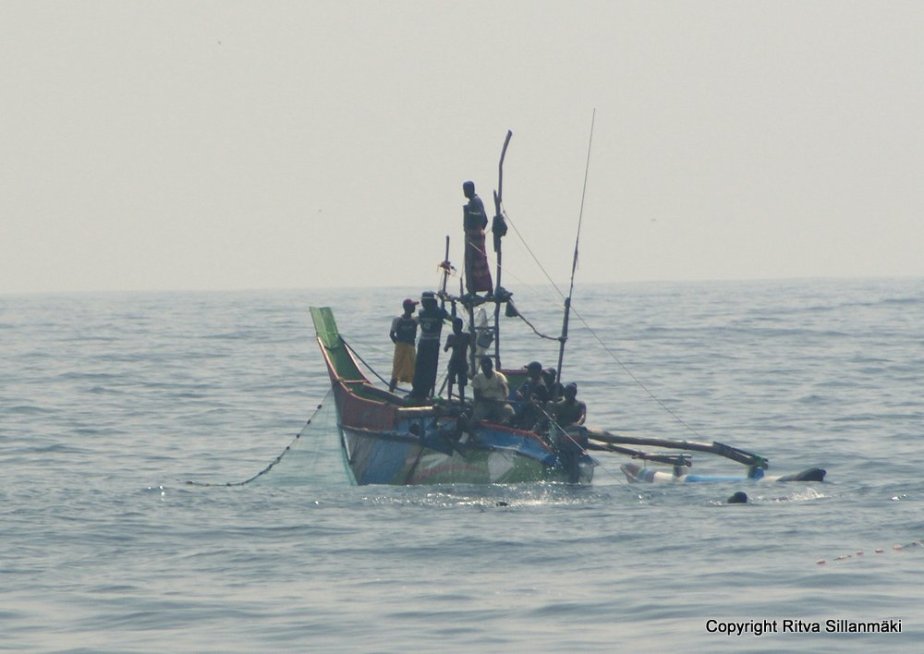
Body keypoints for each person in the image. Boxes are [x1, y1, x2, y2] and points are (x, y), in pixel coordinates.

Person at [409, 291, 449, 399]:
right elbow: (413, 323)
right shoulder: (422, 312)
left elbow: (452, 319)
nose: (423, 304)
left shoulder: (439, 312)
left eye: (425, 302)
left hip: (433, 343)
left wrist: (449, 306)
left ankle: (427, 391)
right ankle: (417, 390)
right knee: (419, 367)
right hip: (423, 342)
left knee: (430, 368)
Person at [462, 181, 493, 294]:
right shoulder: (472, 202)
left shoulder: (476, 201)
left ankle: (481, 289)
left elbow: (481, 217)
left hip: (475, 236)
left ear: (472, 189)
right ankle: (473, 288)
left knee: (477, 262)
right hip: (473, 235)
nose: (464, 192)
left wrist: (468, 212)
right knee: (472, 262)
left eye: (466, 189)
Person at [471, 356, 514, 423]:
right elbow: (477, 396)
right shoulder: (477, 378)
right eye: (483, 367)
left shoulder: (499, 376)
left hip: (499, 403)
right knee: (476, 417)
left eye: (487, 366)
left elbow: (504, 387)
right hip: (484, 404)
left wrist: (505, 398)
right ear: (481, 368)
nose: (485, 369)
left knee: (509, 411)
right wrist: (489, 400)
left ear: (491, 366)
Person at [389, 298, 418, 392]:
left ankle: (415, 392)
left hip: (411, 348)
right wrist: (399, 343)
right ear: (407, 308)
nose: (414, 308)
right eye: (412, 306)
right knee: (396, 370)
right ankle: (391, 391)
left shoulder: (415, 320)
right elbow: (392, 334)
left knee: (413, 370)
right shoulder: (397, 320)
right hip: (401, 348)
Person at [513, 361, 550, 429]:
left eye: (530, 369)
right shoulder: (529, 380)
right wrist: (519, 393)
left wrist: (531, 400)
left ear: (536, 371)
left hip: (534, 411)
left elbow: (539, 402)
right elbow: (519, 390)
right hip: (524, 406)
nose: (528, 371)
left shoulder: (541, 385)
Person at [443, 317, 471, 402]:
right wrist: (449, 344)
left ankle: (462, 400)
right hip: (453, 361)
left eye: (457, 326)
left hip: (462, 362)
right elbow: (445, 349)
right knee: (451, 381)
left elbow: (473, 349)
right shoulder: (451, 337)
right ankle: (449, 399)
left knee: (461, 383)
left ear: (461, 326)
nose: (455, 328)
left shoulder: (466, 336)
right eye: (454, 327)